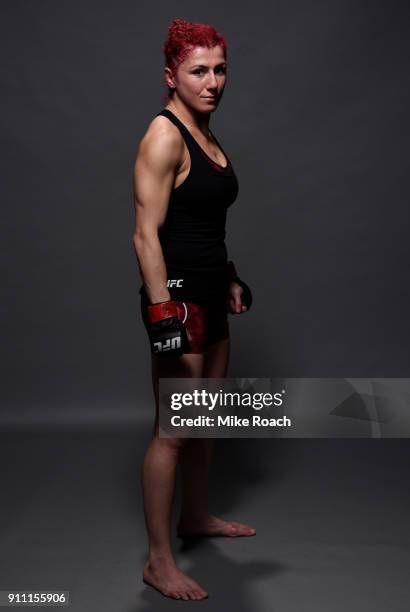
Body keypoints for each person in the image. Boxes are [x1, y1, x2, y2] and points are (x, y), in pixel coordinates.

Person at [132, 18, 255, 602]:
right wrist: (164, 318)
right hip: (178, 301)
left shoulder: (205, 131)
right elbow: (146, 237)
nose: (212, 82)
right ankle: (159, 561)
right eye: (198, 71)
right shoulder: (165, 135)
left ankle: (196, 517)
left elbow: (203, 223)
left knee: (205, 421)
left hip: (211, 292)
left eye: (220, 69)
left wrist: (227, 279)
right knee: (173, 432)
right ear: (170, 76)